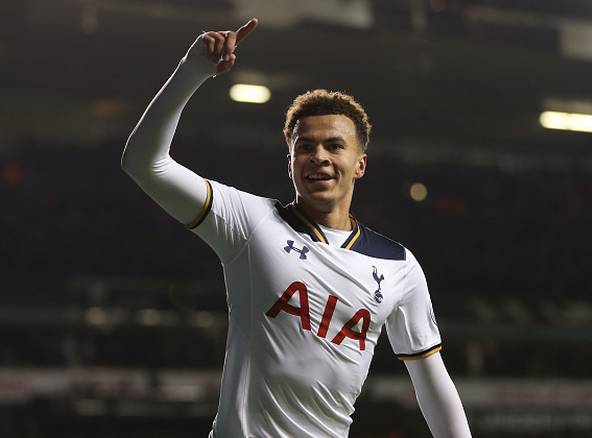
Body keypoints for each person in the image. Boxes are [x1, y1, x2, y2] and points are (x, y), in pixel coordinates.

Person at [121, 18, 471, 438]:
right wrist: (192, 70)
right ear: (289, 162)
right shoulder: (249, 222)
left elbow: (432, 384)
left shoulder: (399, 265)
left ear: (359, 164)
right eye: (304, 147)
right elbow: (144, 163)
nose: (317, 156)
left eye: (334, 145)